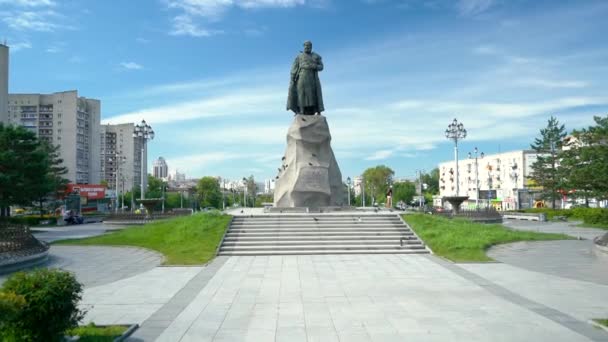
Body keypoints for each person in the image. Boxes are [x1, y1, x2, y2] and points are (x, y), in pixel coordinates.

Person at [287, 41, 325, 115]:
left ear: (311, 47)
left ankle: (315, 110)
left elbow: (321, 67)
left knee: (313, 94)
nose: (307, 47)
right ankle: (301, 110)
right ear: (303, 46)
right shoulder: (299, 57)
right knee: (301, 94)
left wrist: (314, 66)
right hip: (302, 77)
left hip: (312, 79)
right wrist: (292, 78)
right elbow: (294, 68)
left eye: (309, 46)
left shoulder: (316, 56)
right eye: (306, 46)